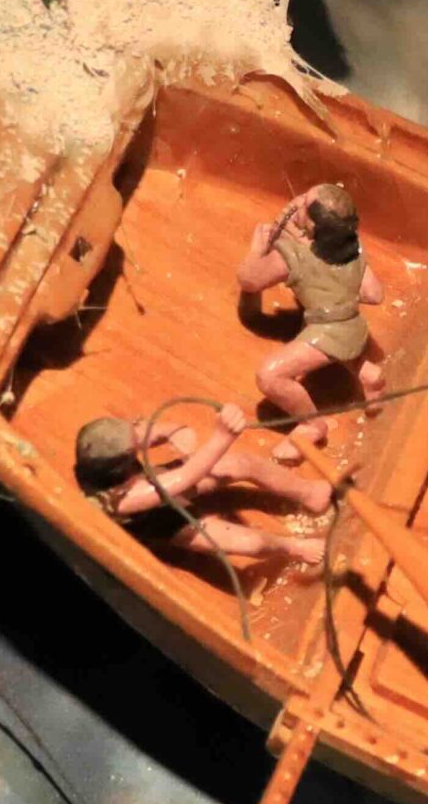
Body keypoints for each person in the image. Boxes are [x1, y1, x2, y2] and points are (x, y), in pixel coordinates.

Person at [73, 403, 329, 565]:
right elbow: (186, 478)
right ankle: (294, 547)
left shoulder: (106, 451)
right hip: (158, 519)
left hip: (158, 480)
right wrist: (221, 437)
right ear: (122, 462)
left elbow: (162, 431)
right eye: (133, 443)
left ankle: (310, 493)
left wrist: (176, 432)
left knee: (242, 463)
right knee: (251, 543)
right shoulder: (124, 497)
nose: (138, 437)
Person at [238, 183, 386, 459]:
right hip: (353, 326)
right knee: (335, 341)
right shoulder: (353, 247)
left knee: (269, 375)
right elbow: (374, 294)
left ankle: (311, 424)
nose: (298, 200)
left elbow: (249, 279)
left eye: (304, 202)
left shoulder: (292, 257)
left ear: (315, 227)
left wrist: (257, 249)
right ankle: (367, 373)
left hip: (325, 330)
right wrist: (334, 289)